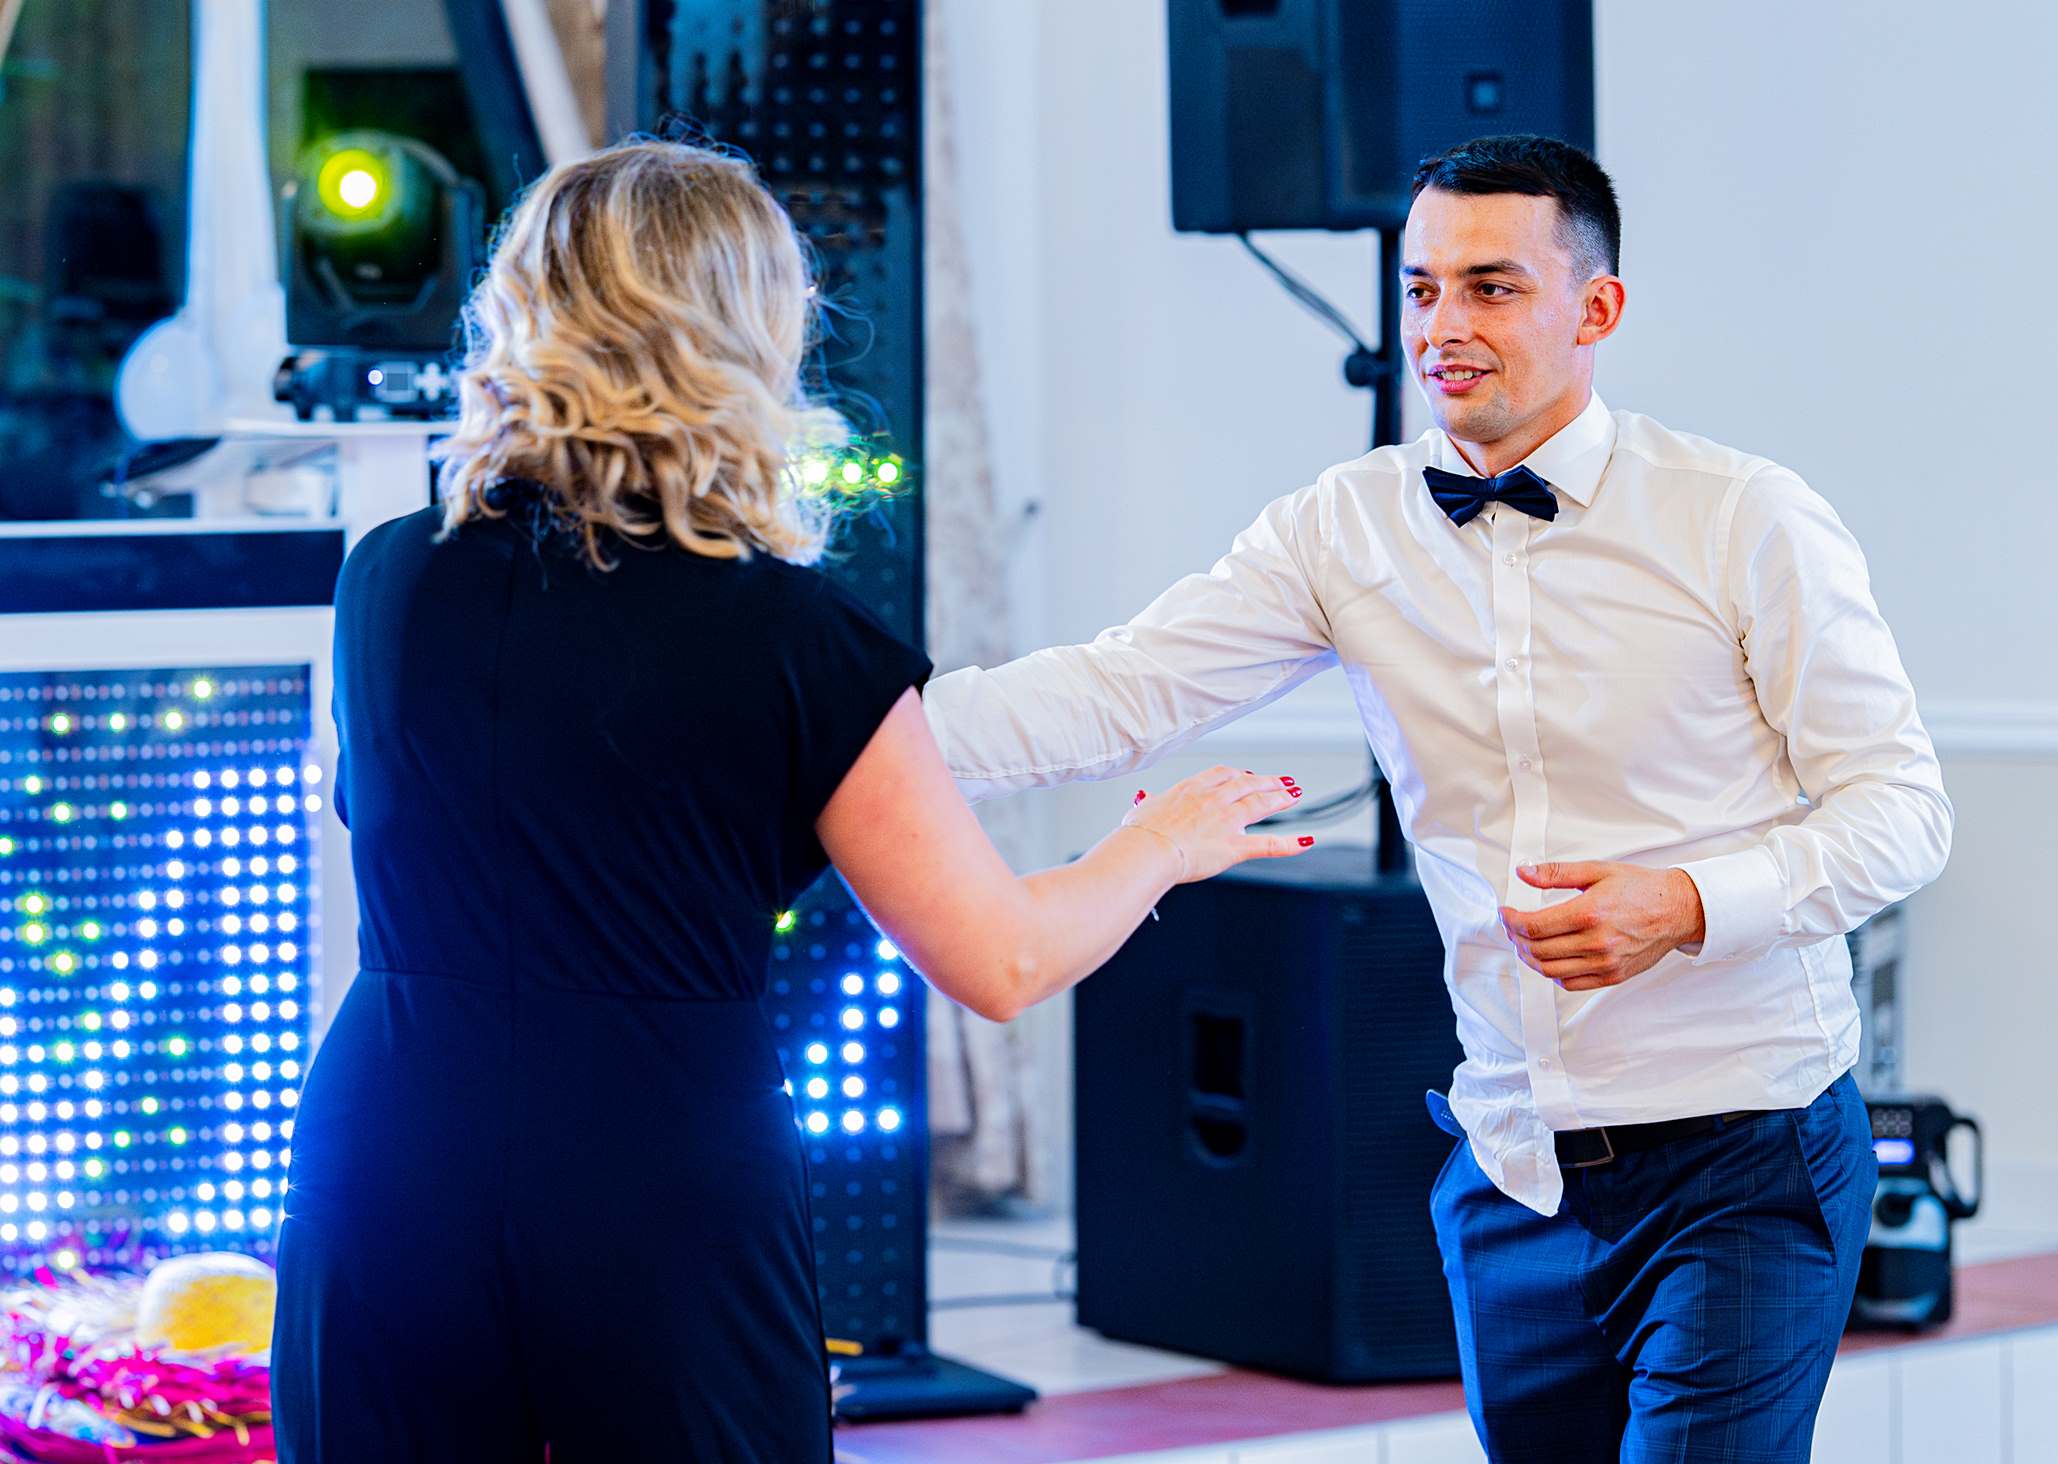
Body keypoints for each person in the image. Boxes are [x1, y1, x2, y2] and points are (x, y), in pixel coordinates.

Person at [268, 140, 1310, 1464]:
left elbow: (394, 813)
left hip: (383, 1149)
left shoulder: (387, 578)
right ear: (741, 332)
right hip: (654, 1172)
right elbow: (1000, 960)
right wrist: (1158, 843)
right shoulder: (788, 634)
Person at [921, 134, 1953, 1461]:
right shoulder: (1341, 529)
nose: (1441, 326)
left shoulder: (1744, 517)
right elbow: (1116, 692)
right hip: (1510, 1169)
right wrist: (844, 725)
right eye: (1420, 289)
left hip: (1743, 1154)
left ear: (1596, 308)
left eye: (1491, 288)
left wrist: (1690, 904)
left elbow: (1902, 810)